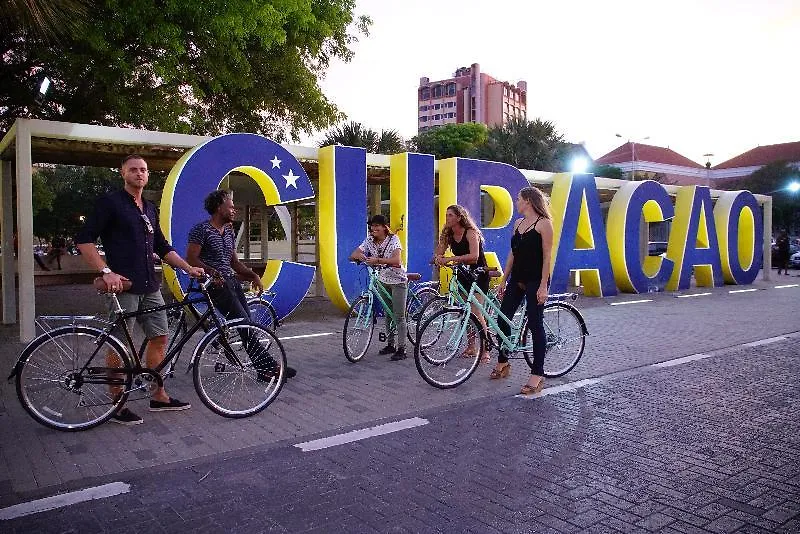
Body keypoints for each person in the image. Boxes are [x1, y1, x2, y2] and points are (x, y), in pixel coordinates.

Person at [76, 154, 205, 425]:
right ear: (123, 173)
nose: (139, 173)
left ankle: (158, 395)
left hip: (150, 285)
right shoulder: (110, 203)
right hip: (124, 286)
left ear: (148, 175)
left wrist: (187, 268)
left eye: (143, 170)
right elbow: (84, 240)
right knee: (122, 344)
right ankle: (117, 403)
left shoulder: (148, 207)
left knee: (160, 337)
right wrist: (105, 271)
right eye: (133, 169)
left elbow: (162, 246)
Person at [186, 189, 296, 379]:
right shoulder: (201, 230)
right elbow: (191, 259)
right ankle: (267, 367)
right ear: (219, 208)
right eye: (230, 206)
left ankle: (263, 368)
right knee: (244, 324)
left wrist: (252, 275)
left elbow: (234, 262)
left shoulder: (228, 230)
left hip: (231, 283)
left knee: (247, 325)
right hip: (215, 285)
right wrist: (212, 272)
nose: (234, 209)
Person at [490, 186, 554, 395]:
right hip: (517, 277)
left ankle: (537, 373)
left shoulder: (544, 224)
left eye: (518, 199)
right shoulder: (517, 224)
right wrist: (503, 280)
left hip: (536, 279)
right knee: (502, 319)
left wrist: (544, 285)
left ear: (527, 200)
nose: (516, 202)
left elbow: (547, 257)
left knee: (535, 325)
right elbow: (512, 254)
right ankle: (503, 361)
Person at [433, 204, 490, 362]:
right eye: (446, 215)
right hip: (463, 275)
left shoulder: (471, 232)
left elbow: (474, 257)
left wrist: (451, 259)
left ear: (459, 217)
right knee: (467, 312)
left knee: (476, 313)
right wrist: (438, 257)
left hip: (478, 274)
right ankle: (471, 347)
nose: (447, 218)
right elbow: (439, 251)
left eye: (451, 215)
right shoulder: (448, 234)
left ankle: (486, 348)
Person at [349, 214, 409, 361]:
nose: (373, 228)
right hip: (382, 279)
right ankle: (390, 344)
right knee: (388, 313)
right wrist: (360, 257)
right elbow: (354, 254)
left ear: (384, 227)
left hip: (398, 280)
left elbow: (397, 260)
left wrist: (377, 260)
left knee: (399, 315)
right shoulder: (369, 240)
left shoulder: (393, 239)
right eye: (372, 225)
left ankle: (402, 348)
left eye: (377, 225)